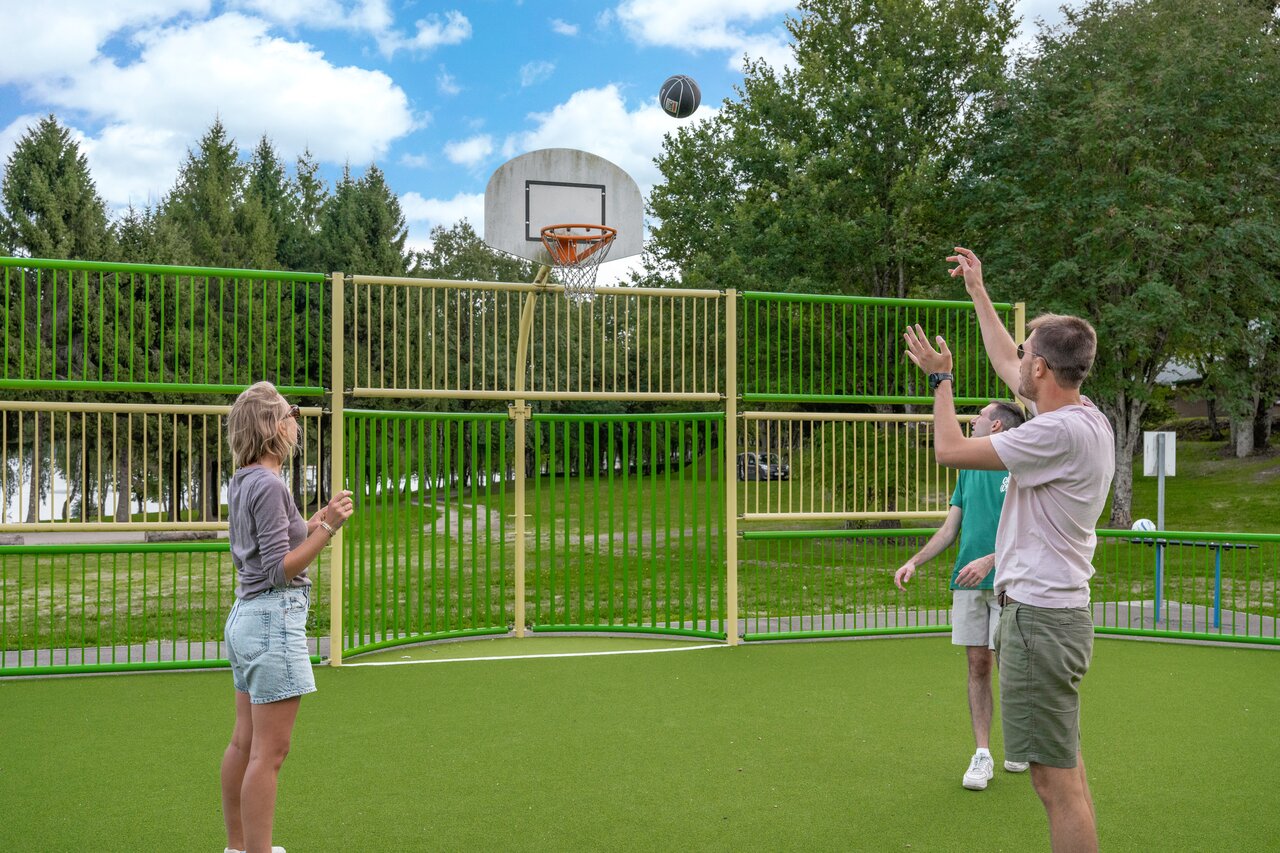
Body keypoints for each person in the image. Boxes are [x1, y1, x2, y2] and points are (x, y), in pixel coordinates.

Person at [903, 247, 1114, 853]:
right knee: (1063, 772)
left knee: (1055, 783)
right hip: (1056, 617)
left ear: (1043, 368)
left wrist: (941, 381)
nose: (1016, 359)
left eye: (1027, 354)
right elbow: (1005, 360)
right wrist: (978, 291)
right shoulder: (1082, 415)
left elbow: (948, 449)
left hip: (1041, 621)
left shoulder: (1052, 432)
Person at [219, 381, 354, 853]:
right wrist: (331, 528)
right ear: (273, 426)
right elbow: (280, 569)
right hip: (272, 619)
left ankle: (238, 848)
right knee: (269, 752)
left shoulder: (246, 480)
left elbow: (277, 543)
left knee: (243, 743)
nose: (296, 421)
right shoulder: (271, 485)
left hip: (245, 618)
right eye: (290, 413)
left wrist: (315, 520)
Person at [893, 400, 1028, 791]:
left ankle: (1020, 744)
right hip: (968, 584)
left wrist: (991, 560)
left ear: (998, 426)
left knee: (1013, 669)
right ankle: (982, 754)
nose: (972, 420)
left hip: (1011, 583)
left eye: (980, 416)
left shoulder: (1022, 465)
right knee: (977, 666)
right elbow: (951, 527)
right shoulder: (969, 467)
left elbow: (1029, 531)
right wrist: (916, 560)